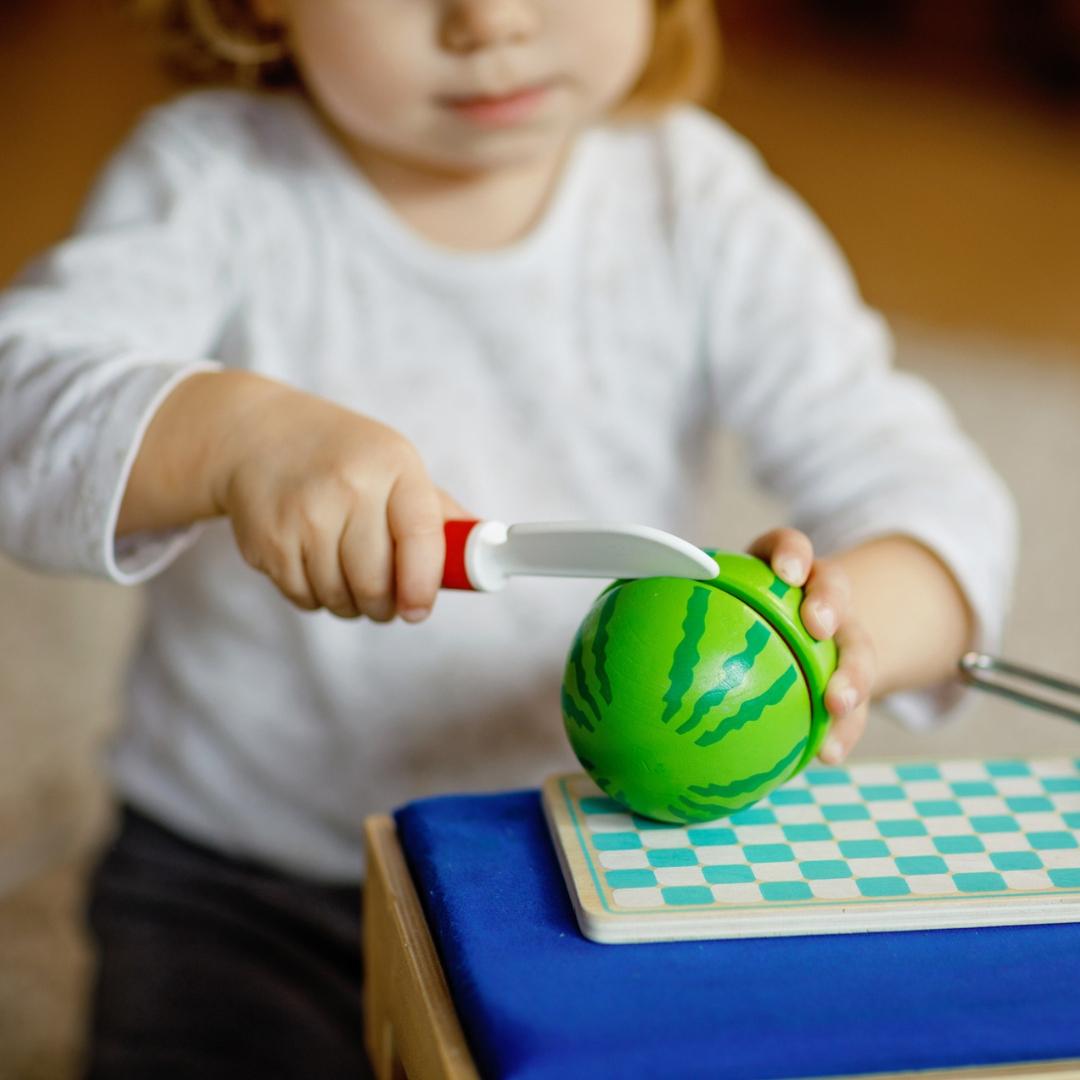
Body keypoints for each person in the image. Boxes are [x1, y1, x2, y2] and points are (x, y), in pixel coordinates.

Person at [0, 0, 1016, 1075]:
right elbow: (23, 404)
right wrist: (230, 437)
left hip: (584, 867)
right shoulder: (214, 180)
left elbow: (932, 494)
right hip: (243, 881)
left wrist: (849, 628)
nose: (489, 21)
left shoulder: (695, 201)